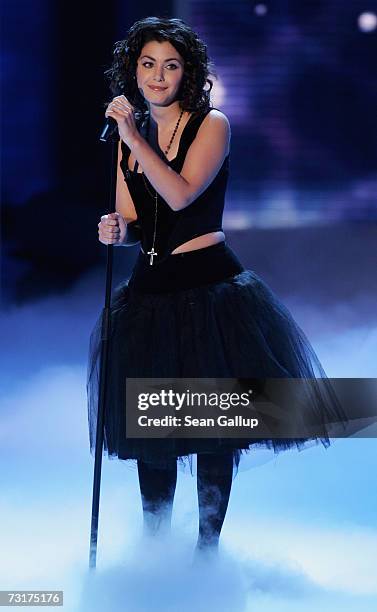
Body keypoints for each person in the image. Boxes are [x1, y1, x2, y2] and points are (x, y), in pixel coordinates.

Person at [87, 16, 347, 555]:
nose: (158, 76)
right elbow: (137, 218)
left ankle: (207, 558)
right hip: (149, 295)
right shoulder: (127, 137)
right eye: (148, 64)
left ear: (188, 72)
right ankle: (154, 556)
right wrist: (117, 230)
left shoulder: (213, 124)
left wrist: (134, 136)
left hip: (211, 292)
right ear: (133, 69)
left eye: (171, 66)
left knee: (212, 433)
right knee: (152, 434)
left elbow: (181, 196)